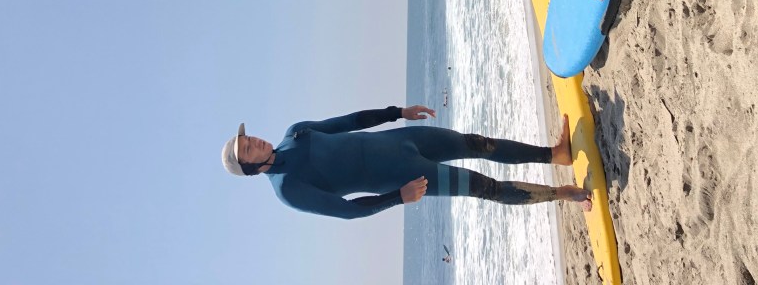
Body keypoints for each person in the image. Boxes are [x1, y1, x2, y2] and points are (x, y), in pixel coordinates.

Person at [221, 104, 591, 219]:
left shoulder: (295, 132)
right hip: (408, 176)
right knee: (483, 187)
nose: (254, 141)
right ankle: (564, 193)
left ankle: (553, 154)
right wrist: (400, 196)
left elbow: (349, 122)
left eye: (248, 138)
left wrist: (397, 111)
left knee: (479, 143)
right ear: (251, 169)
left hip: (404, 140)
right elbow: (348, 211)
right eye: (248, 149)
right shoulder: (288, 189)